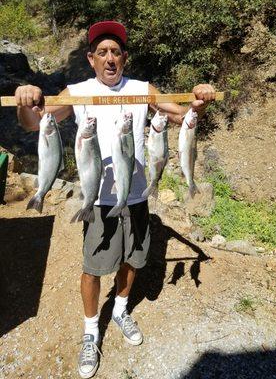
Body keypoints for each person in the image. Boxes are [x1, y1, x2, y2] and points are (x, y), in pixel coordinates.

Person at [15, 20, 215, 379]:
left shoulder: (142, 89)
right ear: (91, 58)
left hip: (136, 196)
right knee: (93, 268)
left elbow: (182, 114)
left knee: (133, 259)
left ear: (125, 58)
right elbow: (34, 123)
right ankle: (91, 330)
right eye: (102, 52)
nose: (110, 59)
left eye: (116, 53)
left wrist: (198, 102)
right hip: (98, 200)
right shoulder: (76, 92)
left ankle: (121, 308)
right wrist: (26, 98)